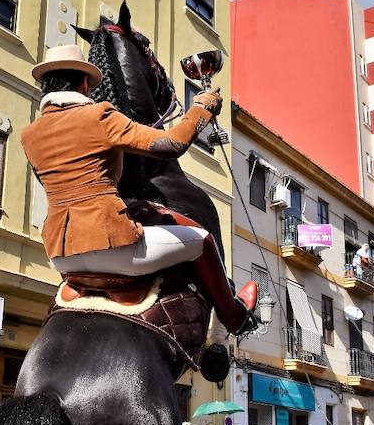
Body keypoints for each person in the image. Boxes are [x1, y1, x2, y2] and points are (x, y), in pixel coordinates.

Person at [21, 44, 259, 337]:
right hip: (109, 246)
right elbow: (171, 144)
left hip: (61, 256)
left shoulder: (30, 135)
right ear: (84, 83)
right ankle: (234, 316)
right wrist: (203, 107)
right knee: (203, 241)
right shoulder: (99, 115)